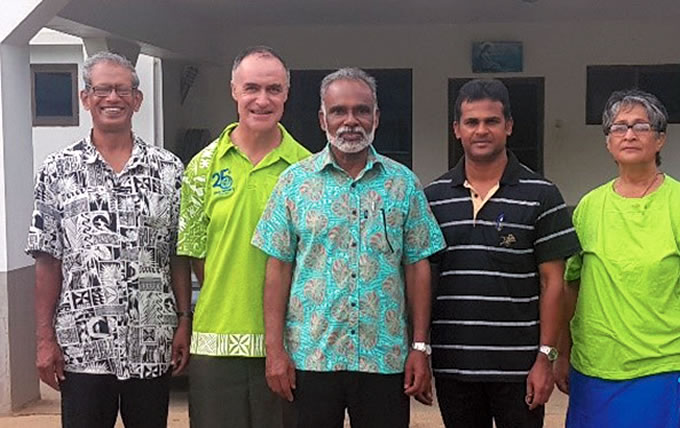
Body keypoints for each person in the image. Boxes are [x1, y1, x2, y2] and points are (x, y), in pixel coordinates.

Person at [252, 67, 446, 428]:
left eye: (362, 110)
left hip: (383, 357)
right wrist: (275, 352)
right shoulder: (293, 184)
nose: (351, 121)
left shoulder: (403, 183)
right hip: (311, 357)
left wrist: (420, 346)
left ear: (377, 117)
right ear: (322, 119)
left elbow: (418, 265)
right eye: (339, 111)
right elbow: (277, 269)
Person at [27, 51, 190, 428]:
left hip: (151, 343)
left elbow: (177, 254)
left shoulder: (168, 170)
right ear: (86, 98)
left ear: (137, 99)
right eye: (102, 89)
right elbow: (46, 258)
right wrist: (44, 339)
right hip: (82, 346)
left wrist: (184, 320)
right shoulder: (57, 171)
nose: (112, 98)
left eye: (122, 90)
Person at [554, 89, 680, 428]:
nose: (629, 134)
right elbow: (572, 287)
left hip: (663, 367)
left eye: (641, 126)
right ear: (607, 142)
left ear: (660, 140)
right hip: (594, 369)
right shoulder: (589, 206)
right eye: (618, 127)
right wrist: (563, 354)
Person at [424, 79, 580, 428]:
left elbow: (553, 283)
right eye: (471, 122)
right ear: (456, 130)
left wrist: (546, 357)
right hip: (455, 366)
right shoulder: (433, 198)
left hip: (519, 369)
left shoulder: (542, 195)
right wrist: (421, 349)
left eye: (491, 121)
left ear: (508, 126)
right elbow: (426, 280)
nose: (481, 130)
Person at [177, 46, 310, 428]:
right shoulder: (202, 167)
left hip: (290, 344)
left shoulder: (307, 170)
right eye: (251, 88)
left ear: (287, 93)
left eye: (273, 89)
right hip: (215, 342)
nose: (262, 100)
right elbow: (194, 253)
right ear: (234, 90)